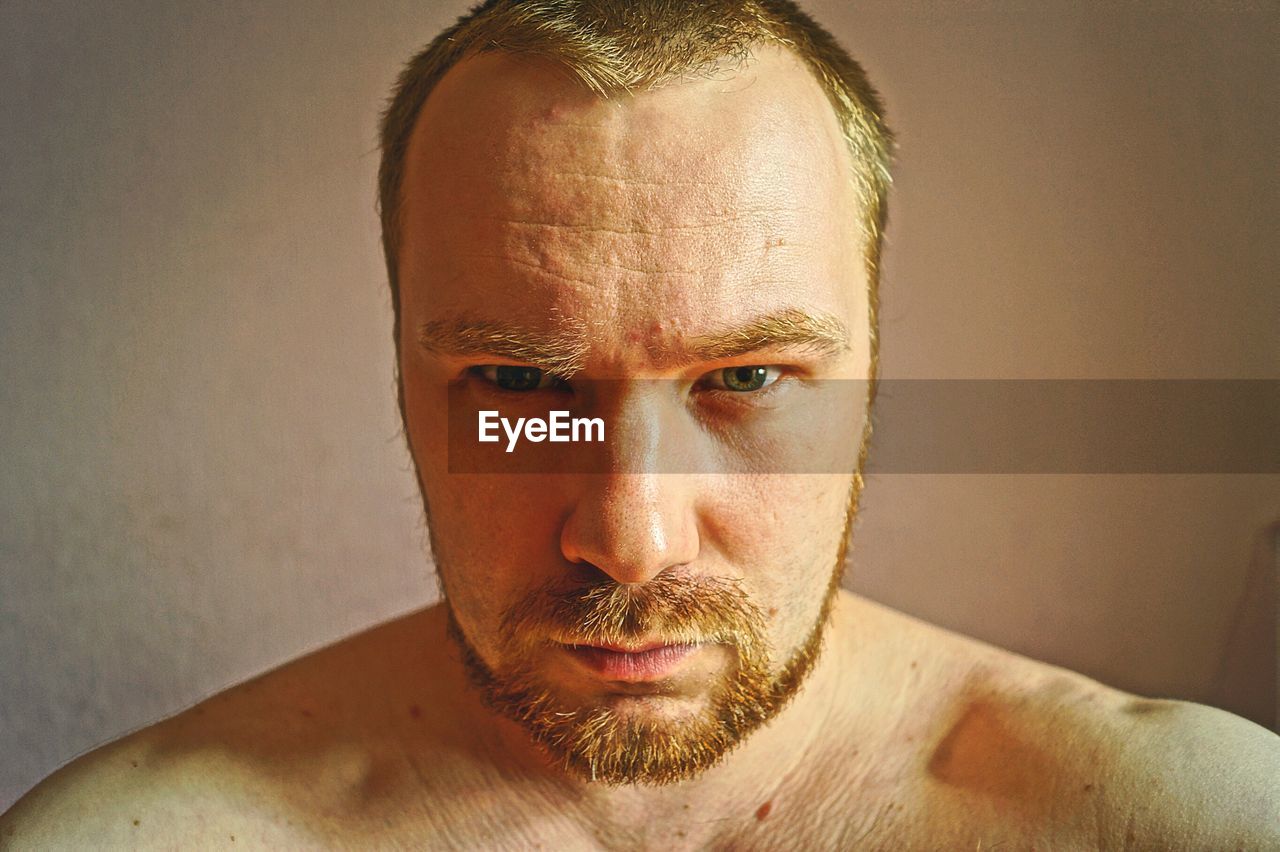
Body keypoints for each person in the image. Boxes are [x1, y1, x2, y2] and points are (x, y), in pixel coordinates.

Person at [3, 1, 1277, 847]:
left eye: (750, 381)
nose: (629, 537)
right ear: (401, 376)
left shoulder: (1176, 822)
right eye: (520, 388)